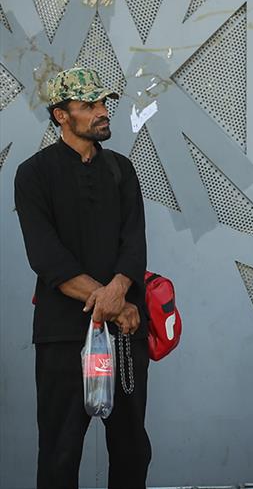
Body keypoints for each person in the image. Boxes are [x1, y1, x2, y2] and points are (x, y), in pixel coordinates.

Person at [14, 67, 151, 489]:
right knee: (60, 451)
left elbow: (134, 244)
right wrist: (113, 303)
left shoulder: (122, 170)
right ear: (61, 115)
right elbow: (46, 258)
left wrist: (119, 295)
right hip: (63, 335)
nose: (102, 111)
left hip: (125, 335)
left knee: (131, 449)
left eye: (103, 103)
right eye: (89, 105)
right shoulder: (34, 174)